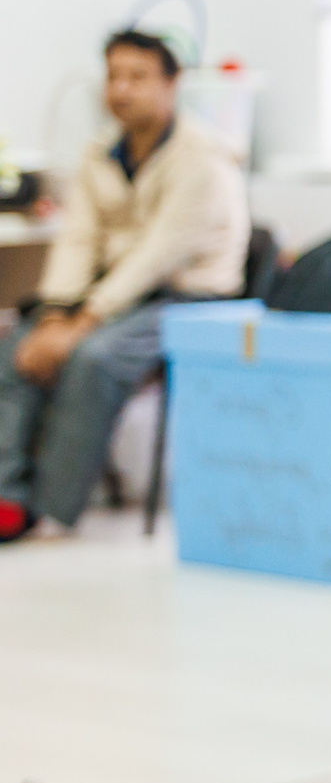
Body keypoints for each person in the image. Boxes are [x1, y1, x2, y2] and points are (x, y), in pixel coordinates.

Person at [0, 30, 248, 540]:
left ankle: (53, 510)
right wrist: (53, 315)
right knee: (17, 347)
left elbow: (156, 257)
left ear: (172, 83)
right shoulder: (99, 154)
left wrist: (81, 323)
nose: (122, 90)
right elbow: (78, 239)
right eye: (114, 77)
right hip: (112, 295)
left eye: (138, 77)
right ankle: (8, 497)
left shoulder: (202, 156)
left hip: (189, 298)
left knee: (94, 357)